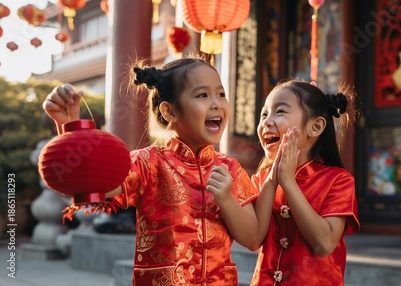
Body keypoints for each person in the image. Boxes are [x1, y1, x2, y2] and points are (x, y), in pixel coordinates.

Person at [42, 57, 260, 285]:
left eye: (221, 94)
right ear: (169, 111)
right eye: (202, 95)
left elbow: (252, 239)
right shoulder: (148, 163)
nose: (216, 104)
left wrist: (226, 199)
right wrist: (70, 127)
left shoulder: (230, 168)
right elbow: (93, 184)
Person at [249, 79, 360, 285]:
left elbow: (324, 244)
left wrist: (288, 183)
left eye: (280, 112)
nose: (266, 121)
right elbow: (253, 239)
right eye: (264, 114)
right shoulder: (261, 180)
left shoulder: (338, 180)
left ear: (315, 126)